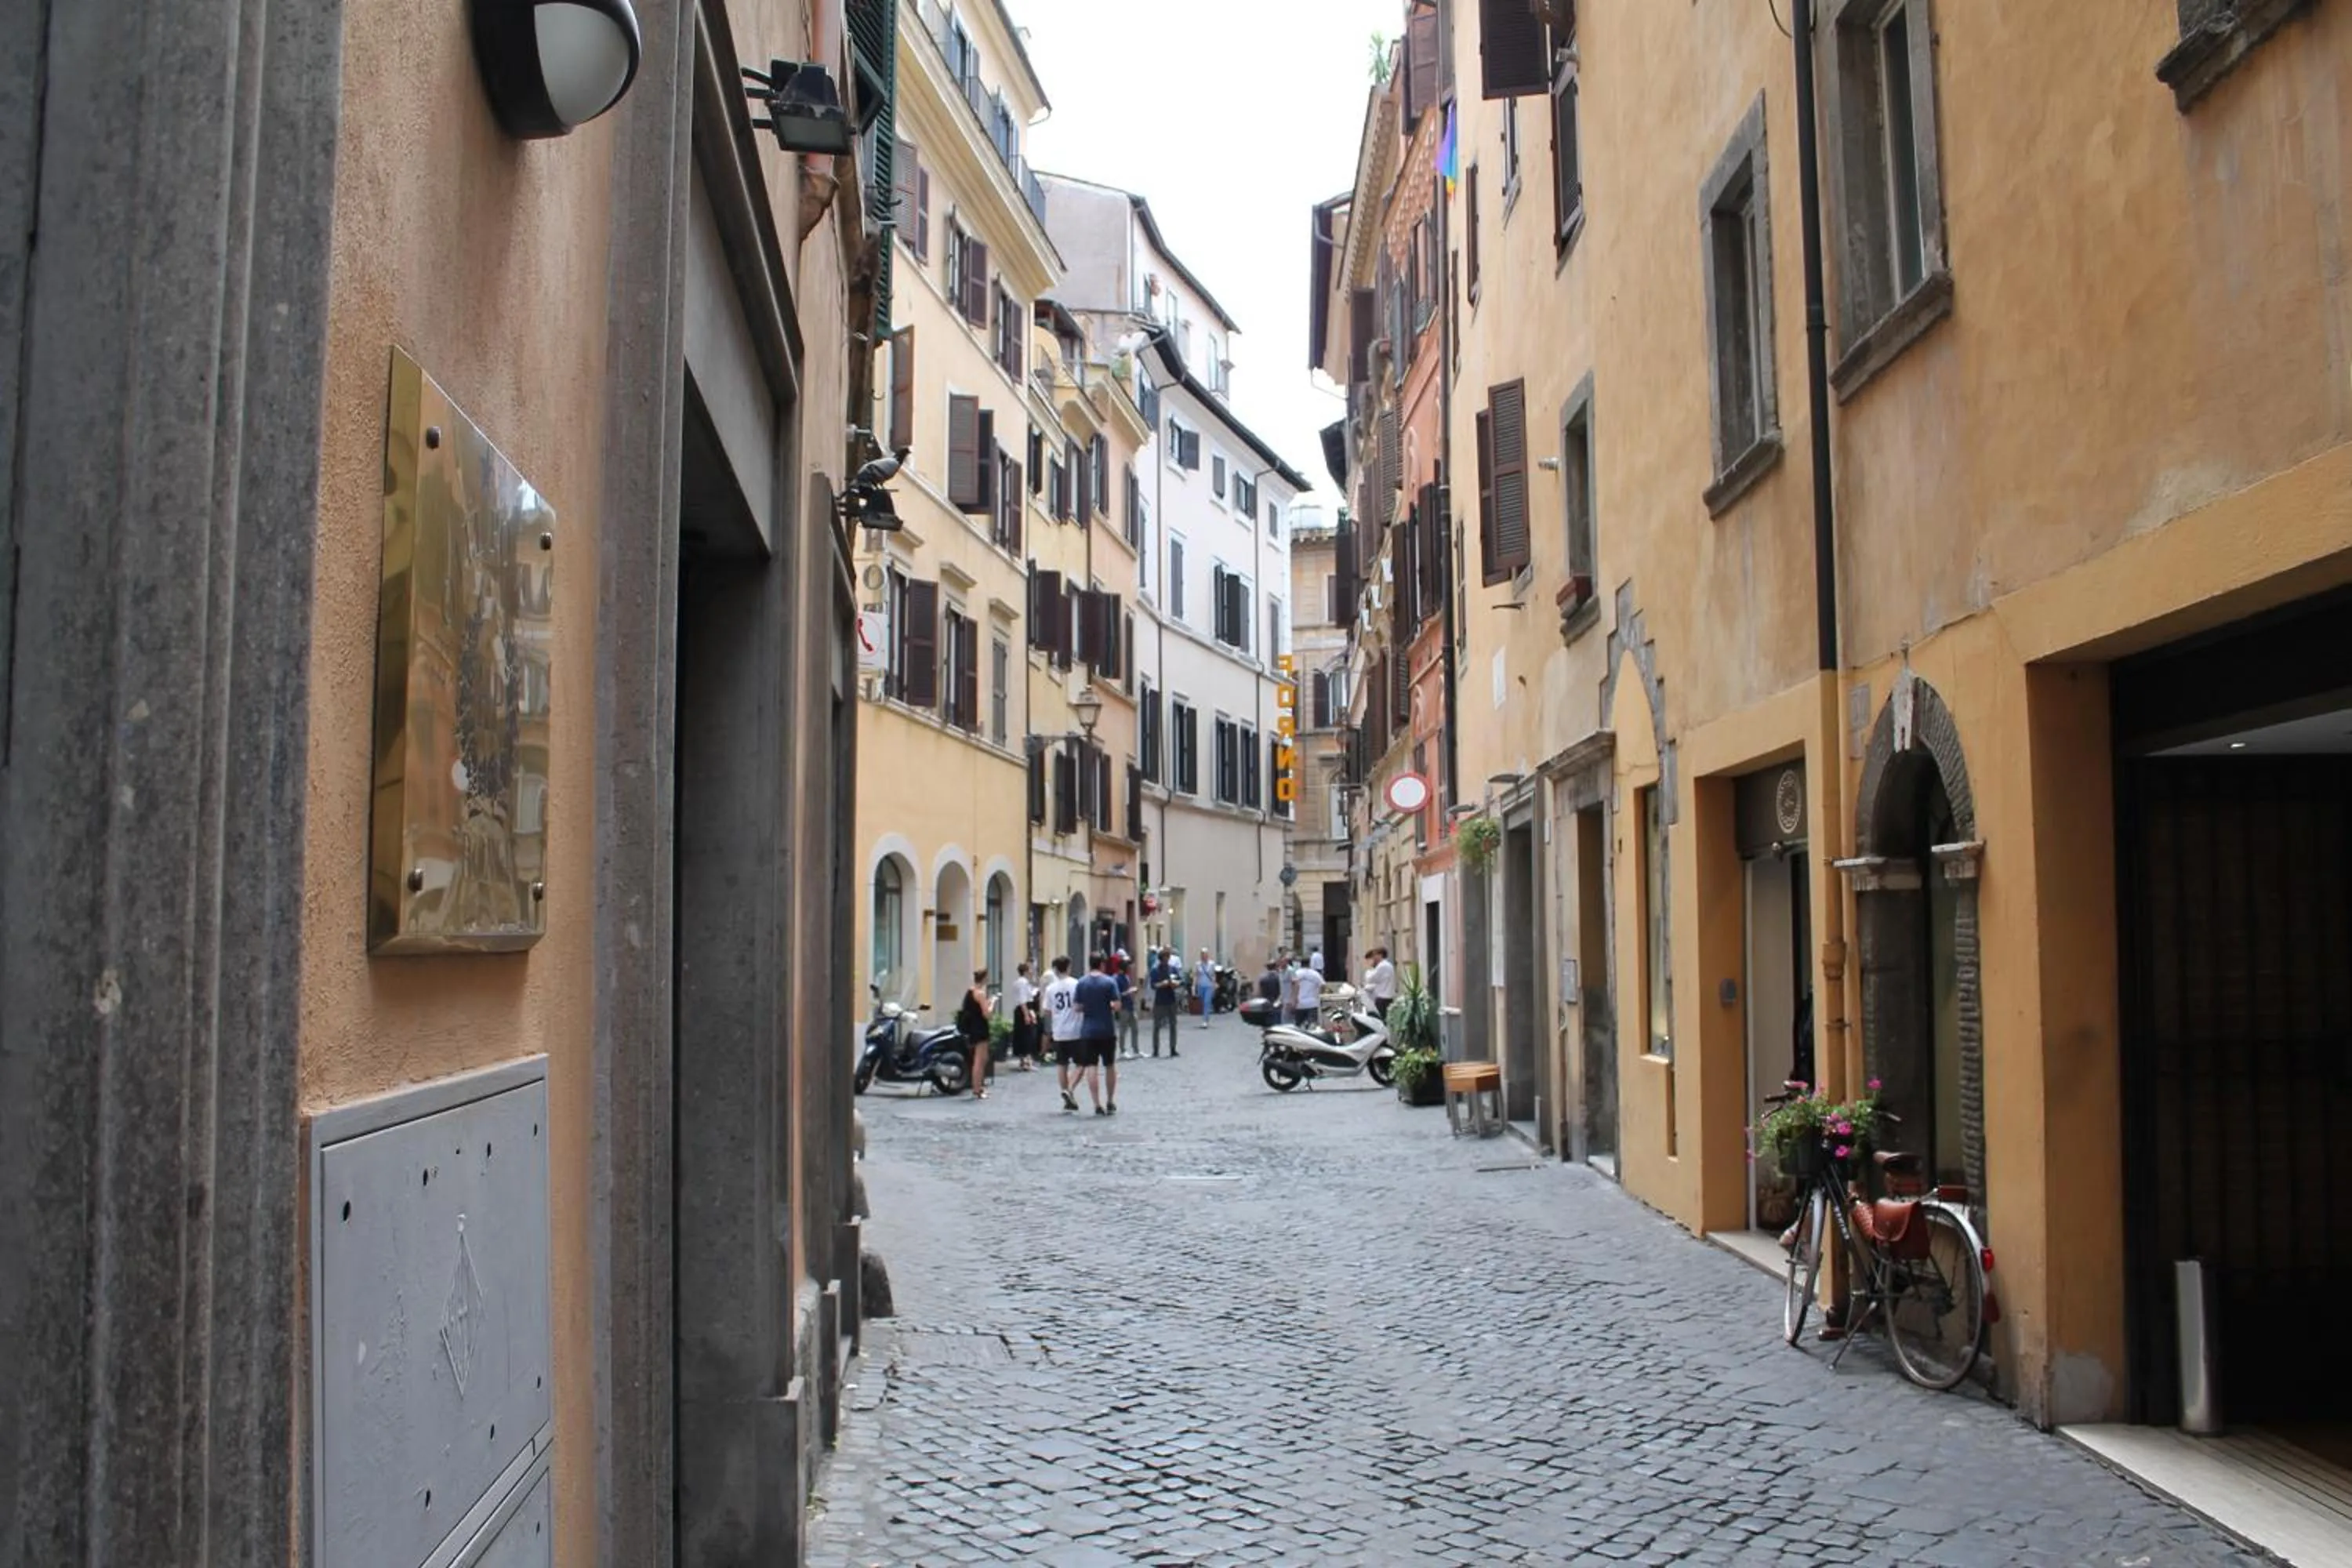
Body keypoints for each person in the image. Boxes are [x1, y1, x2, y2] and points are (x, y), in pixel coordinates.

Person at [1073, 952, 1122, 1115]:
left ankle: (1096, 1104)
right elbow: (1116, 1006)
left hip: (1088, 1030)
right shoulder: (1110, 982)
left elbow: (1077, 1007)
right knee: (1109, 1065)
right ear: (1102, 964)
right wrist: (1107, 1005)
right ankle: (1110, 1100)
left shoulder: (1081, 983)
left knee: (1091, 1067)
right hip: (1107, 1029)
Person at [1043, 956, 1082, 1112]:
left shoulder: (1051, 988)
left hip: (1059, 1030)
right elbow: (1081, 1005)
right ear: (1069, 967)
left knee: (1062, 1064)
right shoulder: (1076, 984)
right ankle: (1070, 1089)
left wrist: (1049, 1030)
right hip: (1076, 1030)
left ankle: (1066, 1094)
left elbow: (1047, 1011)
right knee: (1082, 1064)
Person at [956, 967, 995, 1100]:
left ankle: (979, 1086)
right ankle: (977, 1089)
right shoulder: (980, 993)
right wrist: (992, 1004)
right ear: (984, 979)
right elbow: (987, 1014)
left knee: (983, 1058)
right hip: (980, 1028)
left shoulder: (970, 991)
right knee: (980, 1060)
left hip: (973, 1027)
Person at [1150, 946, 1182, 1057]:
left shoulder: (1173, 969)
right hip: (1160, 1000)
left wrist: (1175, 984)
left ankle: (1173, 1048)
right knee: (1157, 1026)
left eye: (1168, 957)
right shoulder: (1155, 970)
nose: (1167, 959)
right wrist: (1163, 984)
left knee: (1173, 1025)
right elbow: (1153, 985)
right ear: (1161, 958)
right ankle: (1155, 1050)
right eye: (1165, 957)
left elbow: (1179, 981)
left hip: (1171, 999)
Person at [1008, 960, 1040, 1069]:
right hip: (1025, 1009)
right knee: (1028, 1036)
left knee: (1022, 1035)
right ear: (1026, 971)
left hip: (1021, 1010)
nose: (1032, 972)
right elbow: (1023, 1000)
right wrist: (1027, 1015)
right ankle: (1027, 1062)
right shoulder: (1023, 983)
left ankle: (1023, 1061)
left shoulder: (1020, 982)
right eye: (1030, 969)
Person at [1114, 949, 1141, 1060]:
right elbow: (1117, 994)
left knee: (1135, 1028)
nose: (1129, 968)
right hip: (1123, 1007)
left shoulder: (1127, 977)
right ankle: (1122, 1051)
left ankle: (1136, 1050)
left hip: (1130, 1006)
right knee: (1123, 1029)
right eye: (1127, 966)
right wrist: (1129, 992)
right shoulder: (1116, 979)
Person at [1364, 947, 1399, 1020]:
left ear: (1380, 955)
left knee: (1380, 1019)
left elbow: (1370, 979)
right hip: (1387, 998)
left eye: (1375, 955)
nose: (1374, 958)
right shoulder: (1388, 965)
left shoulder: (1382, 966)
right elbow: (1378, 981)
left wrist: (1368, 970)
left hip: (1382, 999)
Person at [1293, 954, 1324, 1029]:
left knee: (1298, 1026)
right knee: (1312, 1026)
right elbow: (1323, 985)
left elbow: (1292, 987)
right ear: (1310, 963)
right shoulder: (1315, 974)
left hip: (1299, 1004)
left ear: (1300, 963)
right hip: (1312, 1004)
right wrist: (1318, 994)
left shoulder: (1296, 974)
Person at [1192, 948, 1215, 1028]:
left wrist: (1214, 984)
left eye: (1205, 954)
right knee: (1202, 1001)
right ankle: (1206, 1016)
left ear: (1207, 955)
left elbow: (1213, 975)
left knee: (1206, 1002)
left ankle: (1205, 1020)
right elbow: (1196, 975)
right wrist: (1194, 986)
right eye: (1202, 954)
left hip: (1209, 986)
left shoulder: (1212, 964)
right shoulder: (1198, 964)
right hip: (1200, 986)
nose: (1204, 956)